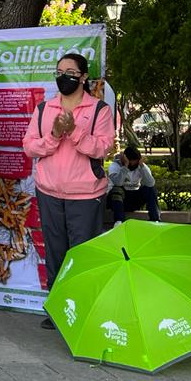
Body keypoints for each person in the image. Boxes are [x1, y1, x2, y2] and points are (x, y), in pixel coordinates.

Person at [22, 53, 115, 329]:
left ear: (83, 77)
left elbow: (102, 148)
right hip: (49, 191)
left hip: (85, 195)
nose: (64, 77)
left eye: (71, 72)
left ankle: (82, 311)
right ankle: (58, 309)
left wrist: (74, 132)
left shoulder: (99, 110)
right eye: (60, 71)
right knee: (55, 253)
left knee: (82, 255)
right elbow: (29, 147)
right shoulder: (44, 108)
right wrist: (53, 136)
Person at [107, 146, 161, 225]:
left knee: (150, 189)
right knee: (117, 189)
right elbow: (118, 183)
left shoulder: (141, 166)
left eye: (135, 163)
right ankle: (119, 221)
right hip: (118, 201)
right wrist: (125, 166)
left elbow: (150, 183)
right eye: (130, 162)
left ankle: (155, 220)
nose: (133, 165)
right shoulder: (115, 166)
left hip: (134, 198)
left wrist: (142, 166)